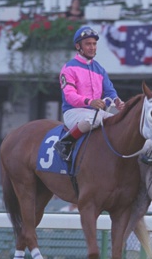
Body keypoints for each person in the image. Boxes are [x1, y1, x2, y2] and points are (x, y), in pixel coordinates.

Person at [53, 26, 125, 161]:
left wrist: (117, 101)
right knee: (95, 119)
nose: (92, 47)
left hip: (95, 113)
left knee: (118, 123)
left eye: (94, 44)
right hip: (74, 112)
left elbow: (110, 90)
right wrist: (89, 102)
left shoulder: (100, 69)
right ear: (78, 46)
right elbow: (69, 96)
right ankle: (64, 143)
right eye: (88, 44)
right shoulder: (68, 68)